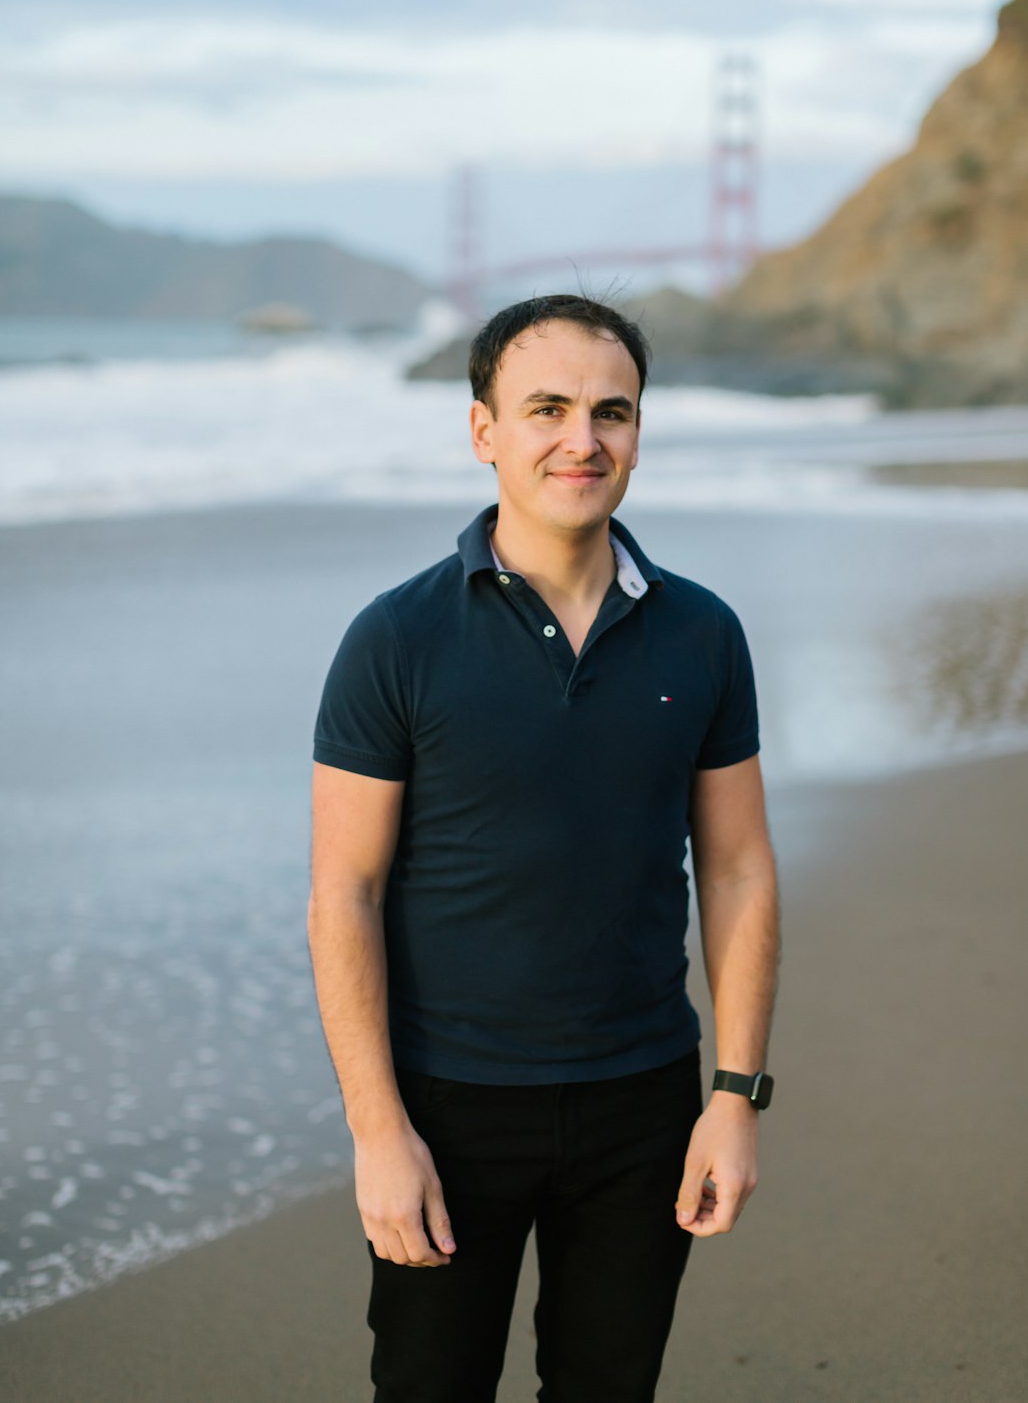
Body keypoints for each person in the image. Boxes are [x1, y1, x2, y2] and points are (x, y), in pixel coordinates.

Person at [308, 294, 780, 1403]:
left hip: (644, 1101)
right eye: (548, 408)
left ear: (639, 430)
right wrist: (379, 1130)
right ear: (484, 431)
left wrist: (733, 1096)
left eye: (612, 411)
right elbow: (345, 892)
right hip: (448, 1106)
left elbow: (738, 869)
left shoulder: (702, 631)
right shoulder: (397, 638)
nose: (585, 439)